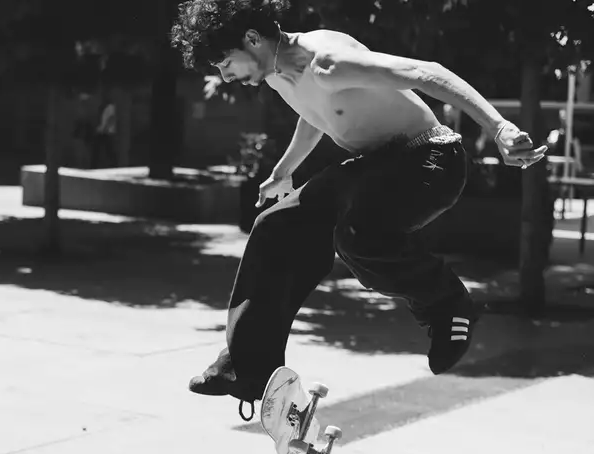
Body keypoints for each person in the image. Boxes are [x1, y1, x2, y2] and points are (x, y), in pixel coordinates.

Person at [170, 0, 547, 411]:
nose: (226, 76)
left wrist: (499, 127)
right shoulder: (277, 73)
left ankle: (448, 303)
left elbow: (427, 72)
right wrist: (283, 171)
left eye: (226, 63)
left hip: (431, 160)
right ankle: (247, 365)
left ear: (252, 39)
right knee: (275, 225)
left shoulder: (327, 61)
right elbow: (315, 113)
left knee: (358, 236)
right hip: (377, 165)